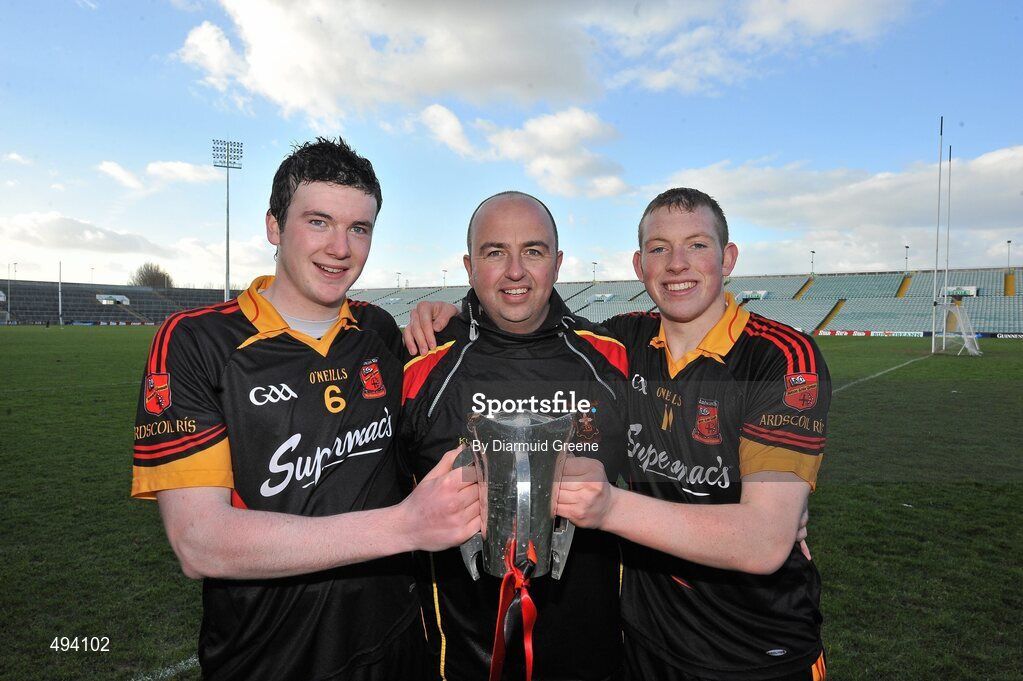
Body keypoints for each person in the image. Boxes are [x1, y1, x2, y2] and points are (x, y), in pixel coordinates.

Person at [405, 188, 829, 680]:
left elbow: (763, 542)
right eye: (659, 248)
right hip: (645, 642)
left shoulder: (780, 358)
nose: (676, 264)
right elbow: (528, 326)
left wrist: (609, 507)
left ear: (728, 257)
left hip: (754, 648)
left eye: (696, 245)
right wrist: (450, 312)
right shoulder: (623, 345)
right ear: (639, 263)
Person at [131, 137, 480, 681]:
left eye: (359, 228)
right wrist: (406, 526)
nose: (340, 247)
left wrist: (457, 306)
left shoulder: (378, 331)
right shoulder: (197, 343)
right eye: (318, 221)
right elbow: (199, 543)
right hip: (268, 657)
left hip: (396, 646)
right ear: (274, 226)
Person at [400, 191, 630, 680]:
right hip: (460, 664)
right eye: (494, 252)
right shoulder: (419, 364)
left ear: (558, 262)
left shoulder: (613, 358)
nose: (515, 271)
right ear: (468, 265)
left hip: (594, 662)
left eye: (533, 250)